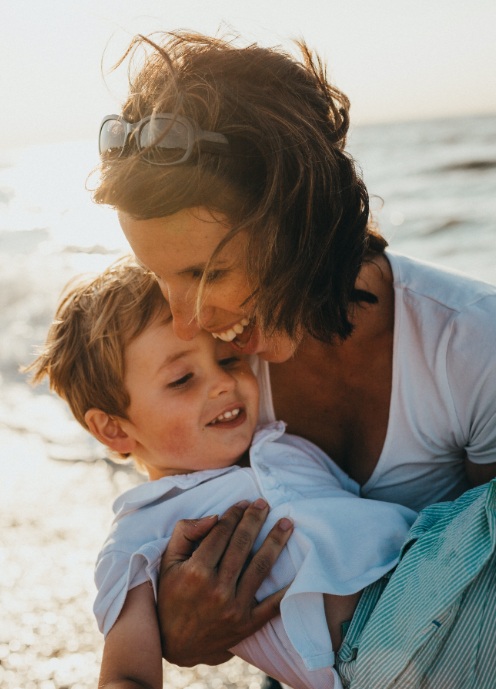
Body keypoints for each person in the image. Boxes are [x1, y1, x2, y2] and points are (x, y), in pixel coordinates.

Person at [92, 31, 496, 685]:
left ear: (299, 223)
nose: (187, 319)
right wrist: (186, 633)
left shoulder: (470, 344)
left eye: (208, 272)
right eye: (158, 277)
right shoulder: (215, 379)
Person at [26, 256, 416, 689]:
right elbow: (126, 675)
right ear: (114, 428)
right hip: (386, 655)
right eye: (182, 379)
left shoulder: (283, 442)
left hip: (434, 557)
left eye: (229, 359)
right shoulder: (141, 535)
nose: (222, 382)